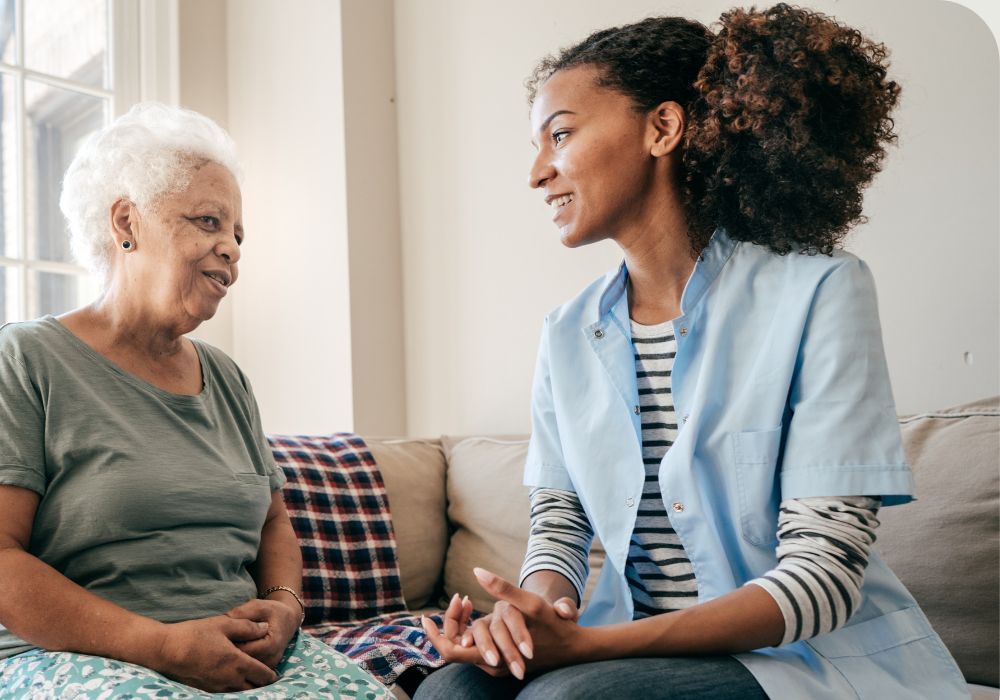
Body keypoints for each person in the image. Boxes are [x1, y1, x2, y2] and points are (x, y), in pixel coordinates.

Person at [418, 5, 968, 699]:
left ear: (663, 127)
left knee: (568, 698)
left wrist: (588, 648)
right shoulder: (566, 333)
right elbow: (558, 526)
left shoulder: (821, 290)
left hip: (799, 661)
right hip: (626, 654)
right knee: (450, 691)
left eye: (559, 135)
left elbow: (824, 578)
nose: (537, 173)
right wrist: (532, 618)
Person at [0, 103, 389, 699]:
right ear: (126, 221)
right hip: (83, 657)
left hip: (243, 654)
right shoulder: (26, 359)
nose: (232, 248)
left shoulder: (227, 378)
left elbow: (274, 521)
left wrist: (284, 609)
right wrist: (164, 645)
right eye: (208, 222)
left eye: (236, 233)